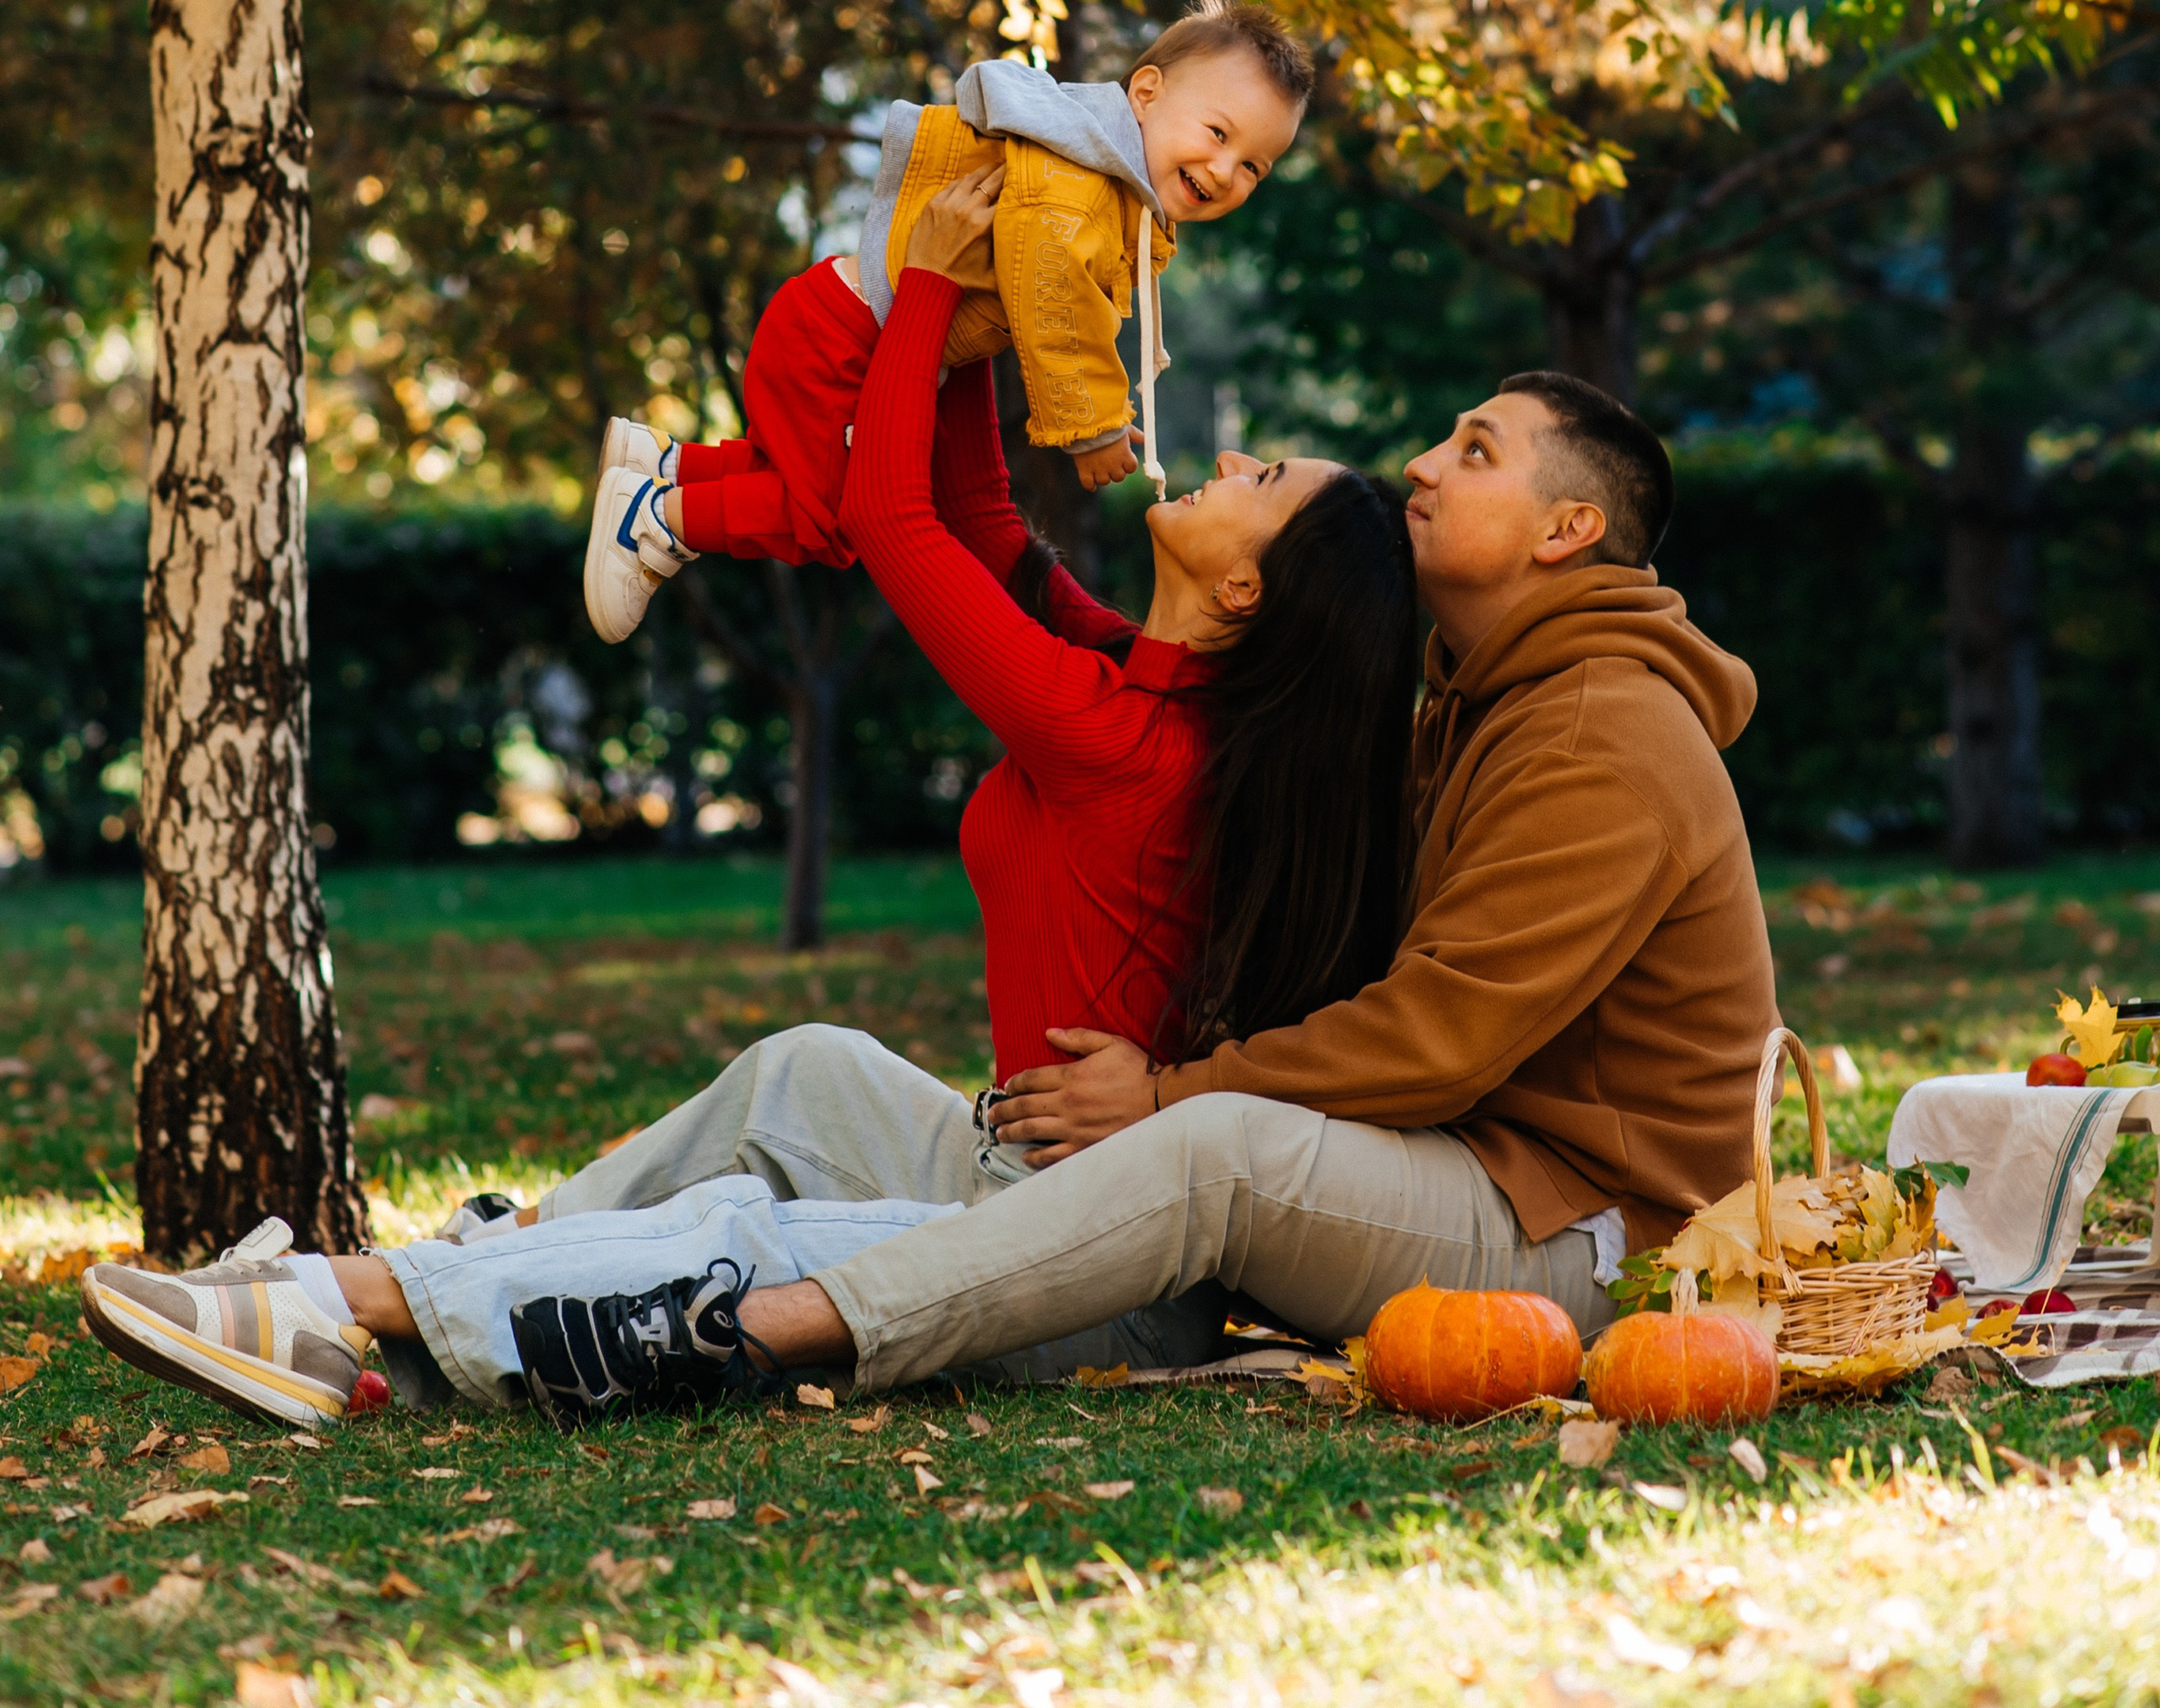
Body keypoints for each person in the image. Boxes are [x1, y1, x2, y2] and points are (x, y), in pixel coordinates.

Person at [78, 171, 1420, 1429]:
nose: (1238, 464)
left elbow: (896, 523)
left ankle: (318, 1299)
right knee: (807, 1070)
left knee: (743, 1234)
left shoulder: (1116, 732)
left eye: (1269, 482)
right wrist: (965, 310)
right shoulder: (1137, 681)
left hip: (1088, 1278)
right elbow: (979, 514)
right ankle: (440, 1298)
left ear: (1248, 594)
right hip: (1024, 1178)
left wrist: (936, 292)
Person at [485, 365, 1779, 1411]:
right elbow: (1008, 559)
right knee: (807, 1071)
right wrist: (981, 328)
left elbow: (1438, 1038)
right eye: (1446, 438)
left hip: (1603, 1239)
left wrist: (1168, 1092)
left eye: (1478, 452)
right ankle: (484, 1258)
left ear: (1571, 530)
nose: (1426, 468)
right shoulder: (1470, 702)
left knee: (1208, 1151)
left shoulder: (1604, 730)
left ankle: (737, 1336)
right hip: (1479, 1172)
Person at [582, 0, 1315, 639]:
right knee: (832, 516)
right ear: (1147, 92)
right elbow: (1052, 289)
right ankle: (652, 522)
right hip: (845, 338)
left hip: (841, 323)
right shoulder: (1082, 184)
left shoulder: (1105, 185)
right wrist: (1089, 423)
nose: (1226, 171)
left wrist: (1099, 405)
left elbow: (1066, 309)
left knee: (804, 480)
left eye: (1254, 165)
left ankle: (670, 465)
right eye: (1218, 135)